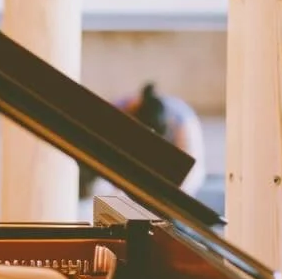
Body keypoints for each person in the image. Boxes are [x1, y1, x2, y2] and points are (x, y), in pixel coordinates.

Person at [79, 82, 208, 205]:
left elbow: (188, 174)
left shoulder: (182, 121)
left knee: (184, 189)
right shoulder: (124, 107)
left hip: (181, 166)